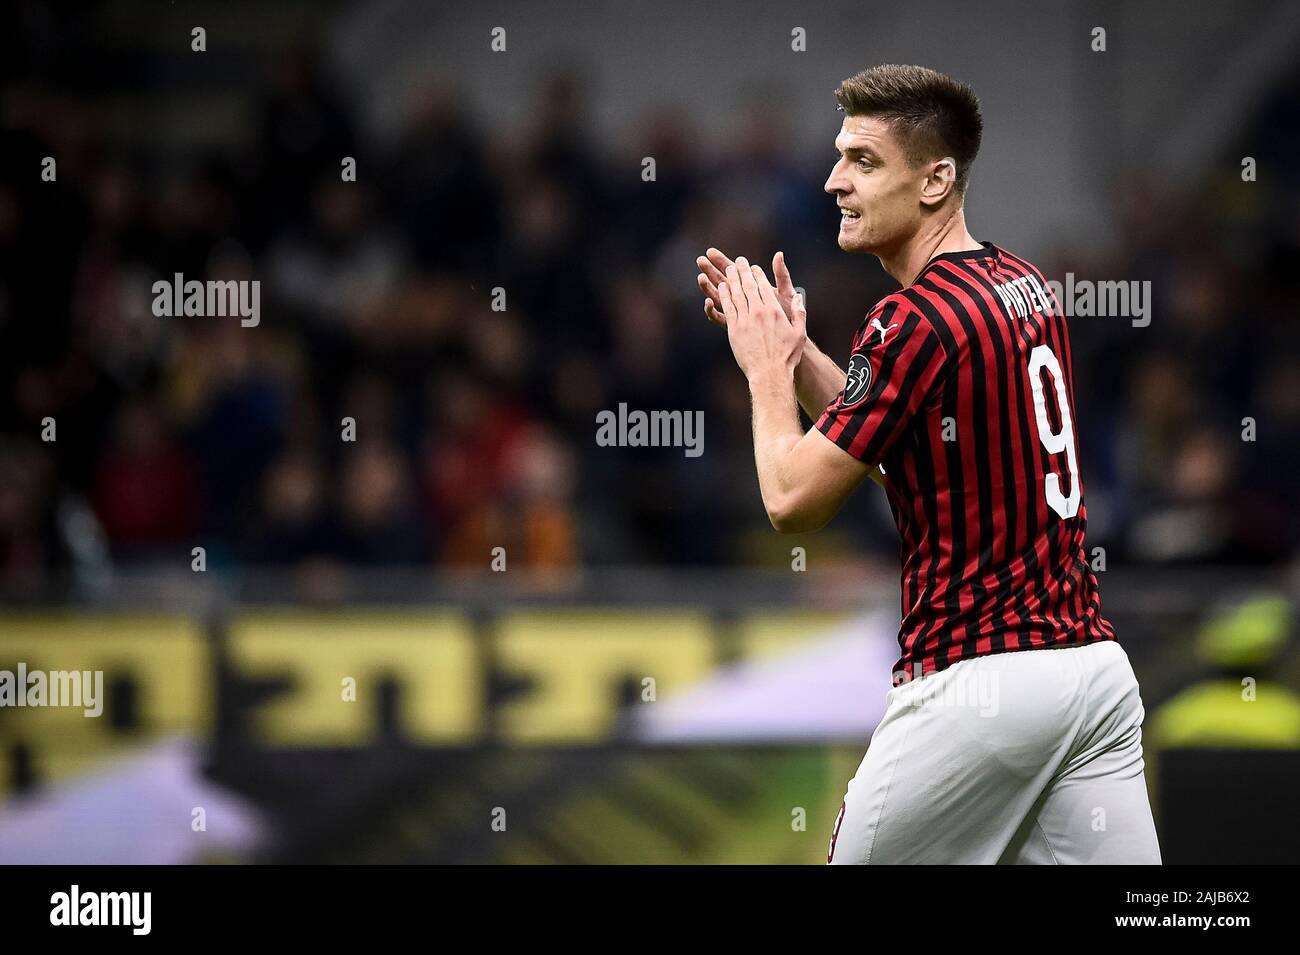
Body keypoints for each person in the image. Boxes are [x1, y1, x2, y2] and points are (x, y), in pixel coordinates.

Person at [696, 64, 1160, 864]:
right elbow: (913, 457)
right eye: (840, 157)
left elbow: (792, 498)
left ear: (937, 178)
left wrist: (765, 371)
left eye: (865, 161)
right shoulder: (1023, 286)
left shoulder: (910, 318)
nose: (836, 181)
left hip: (975, 682)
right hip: (1091, 678)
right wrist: (801, 350)